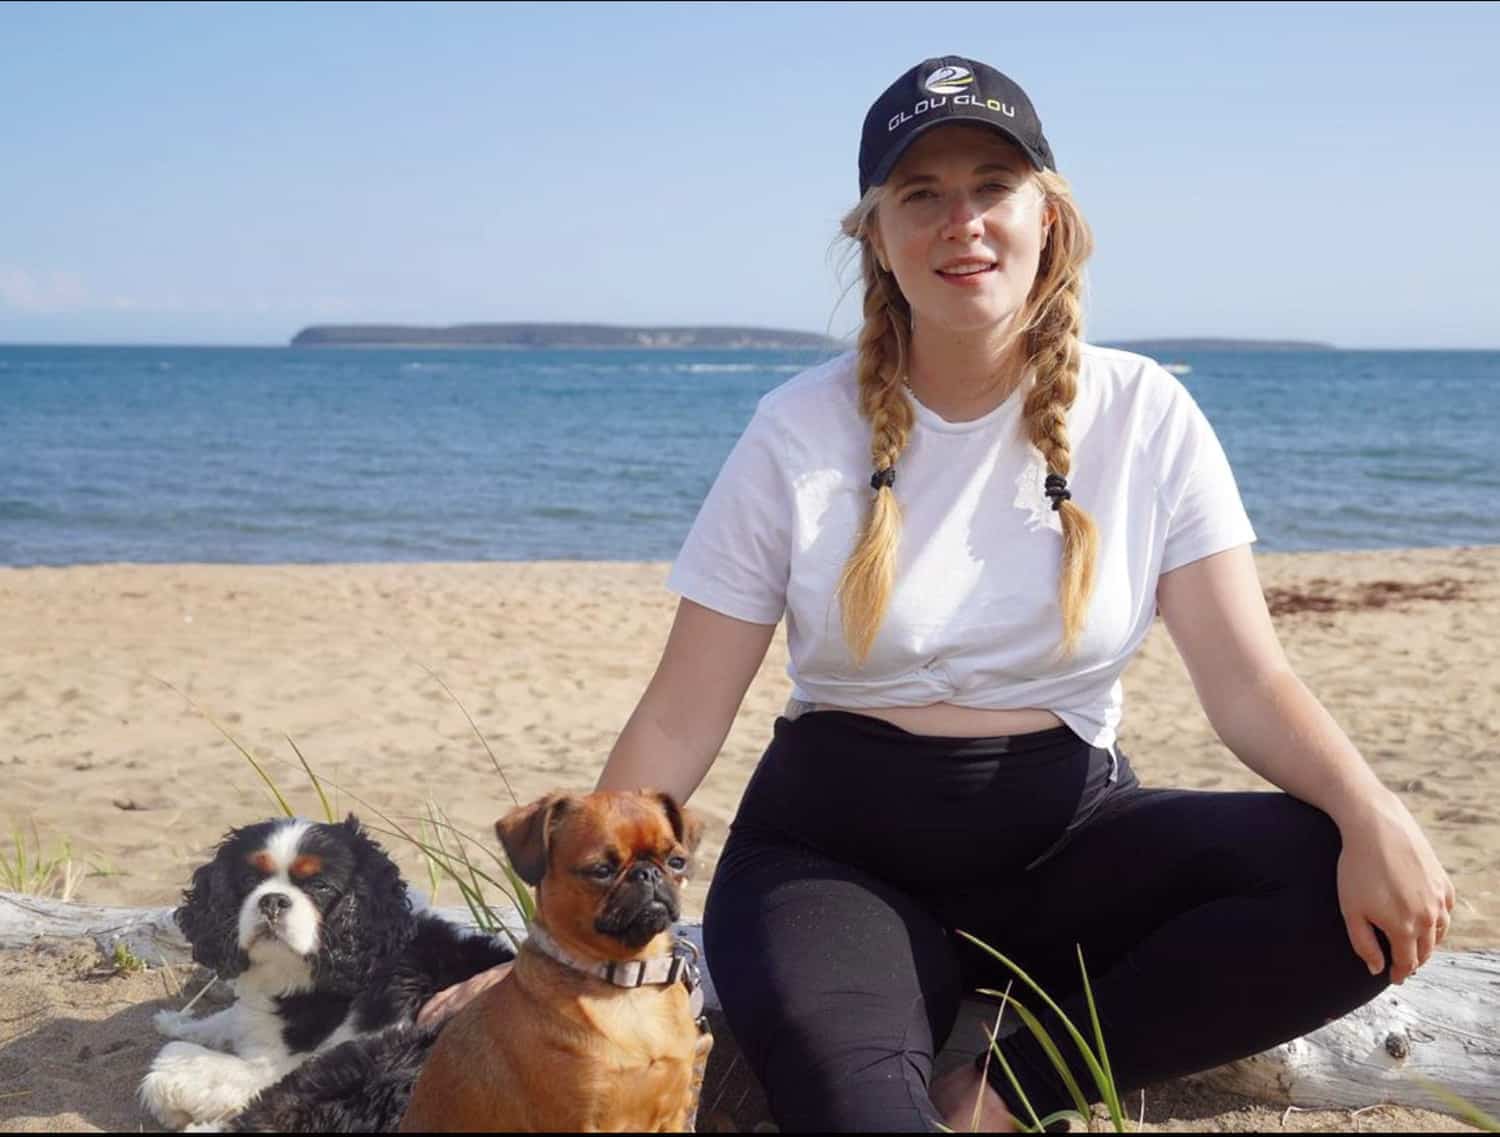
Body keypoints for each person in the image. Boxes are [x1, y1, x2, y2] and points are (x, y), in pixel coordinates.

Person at [422, 56, 1456, 1132]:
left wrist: (1372, 811)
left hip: (1069, 850)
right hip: (831, 868)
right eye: (921, 194)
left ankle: (1007, 1094)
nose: (962, 222)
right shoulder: (794, 430)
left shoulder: (1147, 412)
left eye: (992, 186)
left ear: (1048, 216)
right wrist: (558, 945)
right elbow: (683, 712)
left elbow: (1248, 681)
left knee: (1344, 883)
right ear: (876, 234)